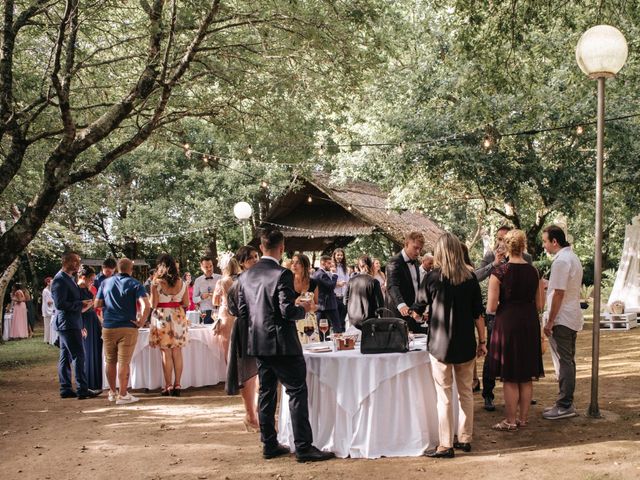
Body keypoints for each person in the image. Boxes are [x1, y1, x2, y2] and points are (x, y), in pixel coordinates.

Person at [237, 228, 334, 462]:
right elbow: (287, 311)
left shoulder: (245, 276)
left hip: (258, 342)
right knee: (296, 391)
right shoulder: (282, 274)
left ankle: (269, 444)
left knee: (267, 393)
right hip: (282, 342)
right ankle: (303, 447)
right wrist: (305, 308)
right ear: (282, 248)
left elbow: (241, 311)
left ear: (261, 248)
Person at [413, 233, 486, 458]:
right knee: (466, 393)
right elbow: (478, 314)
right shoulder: (471, 277)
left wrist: (420, 315)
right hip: (465, 343)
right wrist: (483, 341)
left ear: (440, 252)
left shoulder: (432, 278)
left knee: (444, 396)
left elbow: (418, 308)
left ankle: (445, 444)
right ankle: (465, 438)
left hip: (440, 345)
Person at [486, 230, 545, 431]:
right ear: (524, 246)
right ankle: (523, 419)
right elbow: (539, 304)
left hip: (508, 323)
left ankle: (510, 421)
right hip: (529, 322)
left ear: (506, 246)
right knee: (526, 374)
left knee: (510, 375)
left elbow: (491, 307)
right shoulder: (533, 271)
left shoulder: (499, 272)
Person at [474, 225, 533, 412]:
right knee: (492, 355)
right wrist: (494, 265)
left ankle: (523, 396)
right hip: (495, 315)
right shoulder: (491, 256)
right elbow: (475, 276)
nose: (501, 243)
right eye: (499, 239)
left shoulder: (528, 259)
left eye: (504, 239)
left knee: (521, 354)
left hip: (518, 316)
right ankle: (488, 395)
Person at [541, 225, 583, 420]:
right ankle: (566, 402)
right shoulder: (572, 257)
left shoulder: (560, 261)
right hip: (571, 315)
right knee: (568, 360)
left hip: (562, 318)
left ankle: (565, 404)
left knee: (564, 361)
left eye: (545, 241)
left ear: (554, 241)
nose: (544, 246)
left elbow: (559, 293)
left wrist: (550, 322)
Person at [95, 258, 150, 405]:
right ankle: (123, 394)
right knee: (124, 362)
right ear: (131, 269)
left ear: (117, 268)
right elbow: (146, 304)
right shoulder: (135, 283)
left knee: (110, 360)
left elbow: (97, 304)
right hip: (127, 326)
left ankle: (112, 392)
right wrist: (141, 322)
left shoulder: (105, 282)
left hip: (108, 326)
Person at [51, 252, 101, 399]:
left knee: (65, 357)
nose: (78, 264)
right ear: (66, 262)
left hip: (73, 322)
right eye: (75, 261)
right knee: (79, 355)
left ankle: (66, 388)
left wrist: (82, 306)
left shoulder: (69, 278)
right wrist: (80, 304)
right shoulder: (59, 280)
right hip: (67, 323)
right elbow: (60, 304)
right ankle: (82, 389)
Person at [226, 245, 260, 432]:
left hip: (260, 328)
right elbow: (233, 308)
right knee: (247, 373)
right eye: (250, 258)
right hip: (244, 328)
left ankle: (259, 414)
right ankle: (250, 415)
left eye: (256, 256)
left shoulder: (261, 279)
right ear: (241, 263)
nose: (255, 260)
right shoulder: (238, 283)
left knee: (261, 373)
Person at [149, 254, 190, 397]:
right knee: (177, 352)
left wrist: (153, 290)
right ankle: (177, 384)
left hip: (162, 317)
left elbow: (152, 304)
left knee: (166, 352)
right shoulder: (182, 283)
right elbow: (186, 304)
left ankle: (167, 386)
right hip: (178, 316)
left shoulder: (157, 282)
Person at [386, 231, 426, 333]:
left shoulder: (415, 262)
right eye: (415, 248)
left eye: (420, 249)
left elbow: (416, 288)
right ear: (406, 244)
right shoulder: (394, 261)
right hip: (397, 316)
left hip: (413, 315)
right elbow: (392, 286)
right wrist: (401, 305)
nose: (418, 252)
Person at [78, 265, 103, 391]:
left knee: (96, 349)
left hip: (93, 320)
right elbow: (78, 310)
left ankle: (97, 381)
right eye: (91, 279)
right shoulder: (77, 290)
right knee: (87, 351)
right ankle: (88, 382)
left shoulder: (88, 289)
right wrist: (91, 304)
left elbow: (93, 308)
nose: (92, 282)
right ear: (83, 277)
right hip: (84, 322)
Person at [344, 255, 385, 329]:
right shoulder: (374, 281)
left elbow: (345, 301)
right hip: (369, 320)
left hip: (352, 320)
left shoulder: (351, 280)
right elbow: (380, 303)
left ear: (359, 266)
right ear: (371, 265)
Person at [213, 258, 242, 361]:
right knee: (240, 346)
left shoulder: (222, 282)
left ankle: (230, 375)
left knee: (227, 346)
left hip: (226, 313)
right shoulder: (242, 280)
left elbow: (215, 302)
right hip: (241, 313)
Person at [312, 255, 343, 334]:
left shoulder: (317, 273)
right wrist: (335, 274)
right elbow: (331, 285)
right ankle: (338, 344)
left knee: (323, 330)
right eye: (329, 263)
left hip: (321, 304)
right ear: (323, 263)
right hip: (328, 304)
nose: (331, 265)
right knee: (336, 327)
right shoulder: (321, 274)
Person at [192, 256, 221, 324]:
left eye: (211, 266)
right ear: (201, 267)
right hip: (204, 313)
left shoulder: (220, 278)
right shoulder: (198, 280)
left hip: (218, 311)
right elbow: (194, 299)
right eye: (206, 267)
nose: (209, 268)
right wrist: (201, 297)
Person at [332, 248, 349, 329]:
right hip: (335, 297)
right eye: (338, 255)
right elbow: (328, 282)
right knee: (336, 322)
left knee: (343, 321)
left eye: (341, 255)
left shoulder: (345, 268)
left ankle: (343, 339)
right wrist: (337, 284)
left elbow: (348, 281)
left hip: (344, 298)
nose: (340, 257)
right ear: (334, 256)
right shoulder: (331, 267)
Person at [41, 277, 55, 343]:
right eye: (51, 282)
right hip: (47, 309)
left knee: (51, 325)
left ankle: (51, 339)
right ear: (48, 283)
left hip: (51, 309)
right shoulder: (45, 291)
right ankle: (47, 339)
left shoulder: (51, 290)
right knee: (47, 325)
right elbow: (48, 302)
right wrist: (55, 301)